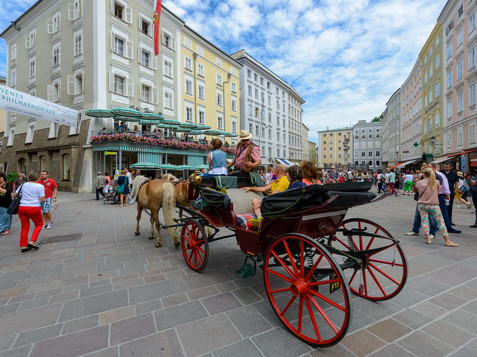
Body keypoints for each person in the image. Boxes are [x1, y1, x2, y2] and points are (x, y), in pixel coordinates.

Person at [415, 168, 458, 247]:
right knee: (441, 222)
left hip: (422, 204)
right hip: (434, 204)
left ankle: (428, 239)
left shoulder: (419, 182)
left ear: (423, 174)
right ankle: (447, 241)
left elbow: (417, 191)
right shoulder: (437, 182)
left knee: (424, 221)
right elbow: (437, 192)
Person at [12, 170, 45, 253]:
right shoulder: (40, 186)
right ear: (38, 178)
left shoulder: (24, 184)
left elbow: (14, 195)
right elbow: (42, 199)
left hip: (22, 207)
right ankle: (32, 241)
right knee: (39, 224)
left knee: (24, 226)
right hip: (34, 207)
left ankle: (24, 246)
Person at [430, 162, 461, 233]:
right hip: (442, 194)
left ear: (450, 167)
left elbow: (456, 182)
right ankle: (443, 225)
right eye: (444, 167)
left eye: (447, 167)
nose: (445, 168)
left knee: (448, 208)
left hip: (449, 193)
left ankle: (449, 222)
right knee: (440, 210)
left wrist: (454, 191)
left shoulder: (453, 173)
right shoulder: (441, 173)